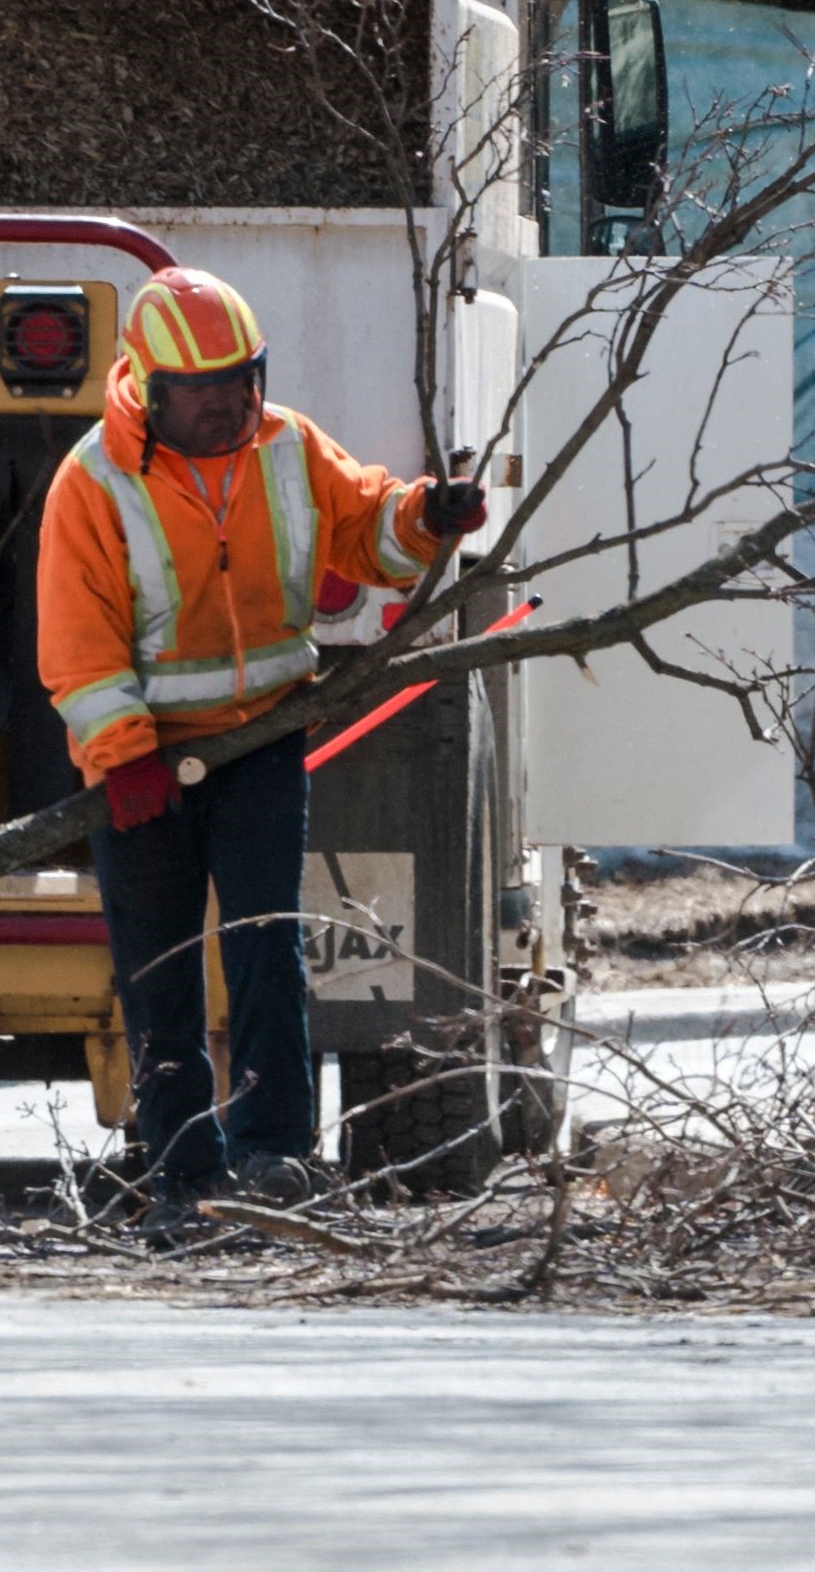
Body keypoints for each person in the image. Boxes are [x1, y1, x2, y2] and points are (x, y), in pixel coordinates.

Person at [35, 266, 486, 1212]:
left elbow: (368, 531)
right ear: (147, 390)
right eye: (202, 389)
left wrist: (425, 517)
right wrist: (124, 758)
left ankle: (273, 1153)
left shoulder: (287, 447)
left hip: (261, 741)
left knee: (265, 943)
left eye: (243, 377)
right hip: (145, 761)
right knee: (158, 967)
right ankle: (181, 1167)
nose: (229, 402)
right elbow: (79, 643)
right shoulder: (92, 483)